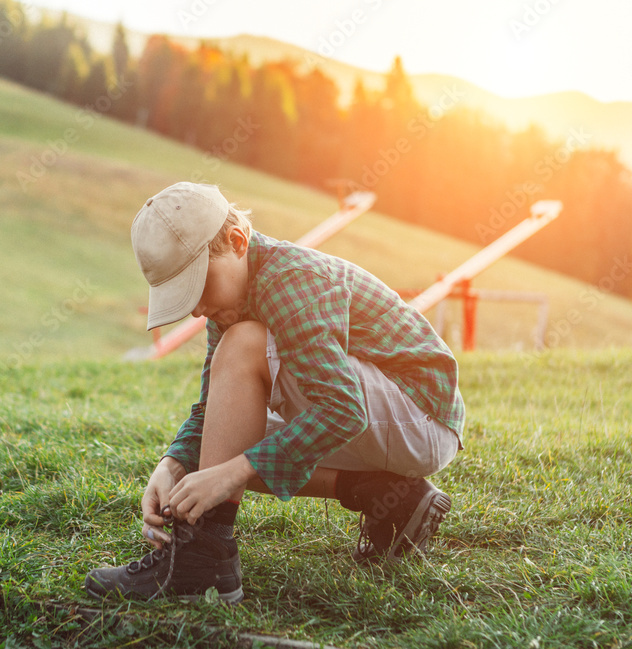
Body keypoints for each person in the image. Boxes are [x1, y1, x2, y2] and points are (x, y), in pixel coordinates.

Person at [84, 182, 466, 603]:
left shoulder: (290, 282)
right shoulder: (227, 299)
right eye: (183, 293)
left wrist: (231, 471)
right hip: (388, 421)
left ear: (237, 241)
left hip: (421, 415)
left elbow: (344, 411)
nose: (195, 308)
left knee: (243, 356)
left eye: (197, 285)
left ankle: (204, 560)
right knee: (225, 439)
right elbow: (215, 410)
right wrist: (173, 464)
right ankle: (386, 496)